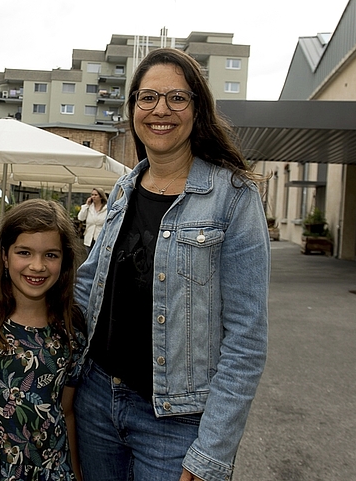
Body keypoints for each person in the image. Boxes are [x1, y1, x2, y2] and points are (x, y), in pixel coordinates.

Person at [73, 48, 270, 481]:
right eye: (147, 98)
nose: (160, 110)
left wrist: (211, 454)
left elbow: (246, 339)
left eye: (177, 98)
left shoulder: (234, 196)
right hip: (97, 402)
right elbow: (89, 287)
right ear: (133, 110)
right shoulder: (125, 187)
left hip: (175, 422)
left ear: (197, 110)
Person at [0, 199, 86, 481]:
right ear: (4, 255)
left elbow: (66, 409)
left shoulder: (72, 329)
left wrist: (76, 471)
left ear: (65, 260)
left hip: (49, 470)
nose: (37, 266)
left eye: (51, 255)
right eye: (24, 252)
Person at [76, 187, 107, 254]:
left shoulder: (106, 208)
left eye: (96, 195)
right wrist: (86, 205)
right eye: (92, 195)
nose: (93, 197)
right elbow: (80, 218)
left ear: (101, 196)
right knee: (88, 258)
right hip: (89, 238)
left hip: (100, 238)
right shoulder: (89, 207)